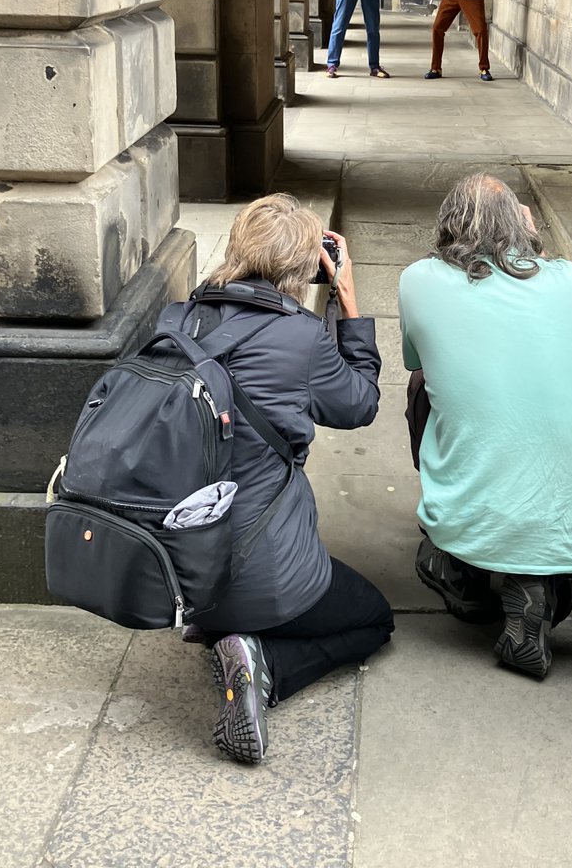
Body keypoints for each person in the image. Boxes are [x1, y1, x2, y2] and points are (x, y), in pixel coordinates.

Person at [161, 194, 394, 764]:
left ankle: (219, 631)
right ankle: (264, 669)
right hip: (264, 576)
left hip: (181, 578)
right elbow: (359, 404)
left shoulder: (179, 321)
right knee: (373, 619)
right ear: (306, 264)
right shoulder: (302, 338)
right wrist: (347, 299)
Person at [398, 173, 572, 679]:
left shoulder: (418, 280)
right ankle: (540, 583)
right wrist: (533, 247)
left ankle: (466, 572)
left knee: (421, 385)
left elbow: (416, 357)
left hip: (473, 524)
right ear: (524, 224)